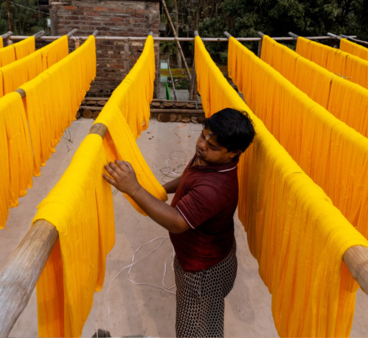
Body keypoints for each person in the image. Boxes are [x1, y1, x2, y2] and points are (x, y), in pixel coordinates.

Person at [103, 108, 256, 338]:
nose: (202, 145)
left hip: (203, 272)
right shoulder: (207, 159)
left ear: (233, 153)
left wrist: (134, 189)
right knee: (208, 314)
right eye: (204, 135)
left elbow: (176, 223)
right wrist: (158, 191)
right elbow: (188, 177)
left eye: (213, 146)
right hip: (216, 253)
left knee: (194, 330)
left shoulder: (214, 189)